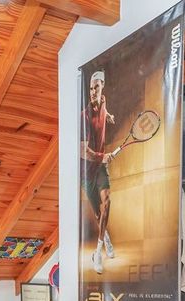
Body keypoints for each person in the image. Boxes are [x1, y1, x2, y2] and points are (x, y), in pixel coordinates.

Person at [80, 70, 116, 274]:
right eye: (91, 88)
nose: (93, 91)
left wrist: (108, 116)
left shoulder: (103, 101)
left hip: (100, 167)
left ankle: (99, 251)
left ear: (102, 86)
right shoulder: (84, 117)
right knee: (97, 213)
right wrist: (102, 156)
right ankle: (107, 238)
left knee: (107, 202)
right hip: (86, 171)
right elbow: (83, 150)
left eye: (96, 87)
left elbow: (104, 109)